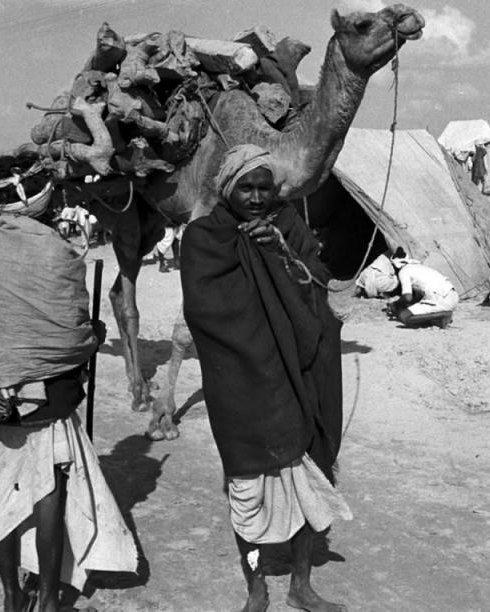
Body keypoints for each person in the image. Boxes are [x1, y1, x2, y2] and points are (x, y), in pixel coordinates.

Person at [180, 144, 351, 612]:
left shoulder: (287, 224)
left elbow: (316, 281)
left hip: (296, 371)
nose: (256, 198)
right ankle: (256, 588)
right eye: (245, 188)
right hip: (240, 379)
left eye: (264, 188)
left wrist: (278, 251)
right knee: (247, 483)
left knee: (302, 475)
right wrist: (255, 347)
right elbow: (204, 309)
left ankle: (301, 585)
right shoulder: (203, 237)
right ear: (226, 189)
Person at [0, 151, 137, 611]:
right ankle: (47, 597)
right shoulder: (57, 251)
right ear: (45, 201)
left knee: (1, 487)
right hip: (45, 399)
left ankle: (10, 596)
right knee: (48, 487)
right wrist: (94, 337)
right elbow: (70, 336)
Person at [385, 251, 459, 328]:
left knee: (404, 316)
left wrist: (396, 304)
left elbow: (407, 297)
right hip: (453, 296)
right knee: (419, 311)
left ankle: (444, 315)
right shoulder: (420, 267)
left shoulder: (404, 271)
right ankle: (438, 318)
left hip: (441, 299)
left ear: (395, 266)